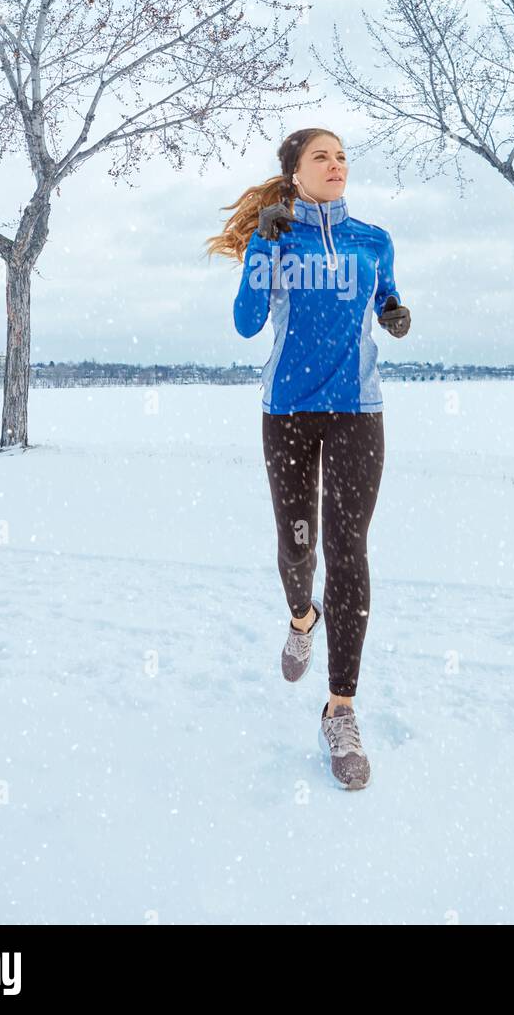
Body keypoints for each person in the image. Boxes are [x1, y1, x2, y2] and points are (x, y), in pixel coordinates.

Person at [204, 127, 411, 788]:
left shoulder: (372, 239)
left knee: (348, 548)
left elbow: (385, 298)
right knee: (299, 547)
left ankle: (341, 707)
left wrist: (396, 310)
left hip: (357, 410)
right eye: (322, 156)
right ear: (294, 173)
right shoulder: (276, 236)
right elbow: (245, 323)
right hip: (288, 411)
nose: (337, 165)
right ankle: (302, 617)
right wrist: (262, 245)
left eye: (343, 156)